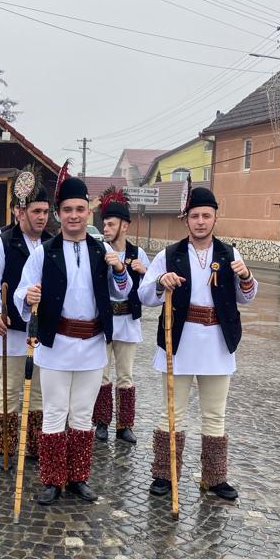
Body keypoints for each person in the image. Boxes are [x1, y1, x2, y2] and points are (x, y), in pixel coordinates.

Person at [15, 164, 132, 506]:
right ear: (58, 213)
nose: (74, 215)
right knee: (54, 411)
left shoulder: (101, 251)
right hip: (56, 344)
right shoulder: (44, 252)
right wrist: (27, 296)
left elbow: (122, 291)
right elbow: (22, 290)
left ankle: (78, 476)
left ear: (88, 211)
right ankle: (52, 480)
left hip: (92, 345)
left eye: (80, 209)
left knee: (82, 413)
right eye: (67, 210)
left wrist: (120, 270)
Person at [139, 184, 257, 502]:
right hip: (179, 340)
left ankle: (214, 478)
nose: (201, 221)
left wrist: (246, 277)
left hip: (217, 342)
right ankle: (164, 474)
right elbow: (145, 294)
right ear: (186, 219)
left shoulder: (230, 254)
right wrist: (161, 283)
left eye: (206, 215)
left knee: (215, 414)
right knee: (171, 412)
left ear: (216, 218)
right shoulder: (169, 255)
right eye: (195, 216)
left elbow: (245, 297)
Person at [0, 174, 51, 466]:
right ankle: (3, 447)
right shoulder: (5, 242)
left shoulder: (52, 243)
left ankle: (34, 445)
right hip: (12, 331)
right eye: (36, 211)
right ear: (21, 211)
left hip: (41, 332)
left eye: (46, 211)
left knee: (38, 393)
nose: (42, 217)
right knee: (8, 390)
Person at [92, 188, 150, 445]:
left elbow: (151, 290)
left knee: (126, 375)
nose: (105, 228)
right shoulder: (98, 252)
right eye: (104, 224)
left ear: (124, 226)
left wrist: (145, 272)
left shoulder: (138, 254)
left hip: (128, 321)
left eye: (111, 224)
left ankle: (124, 425)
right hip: (104, 321)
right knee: (102, 374)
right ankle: (102, 422)